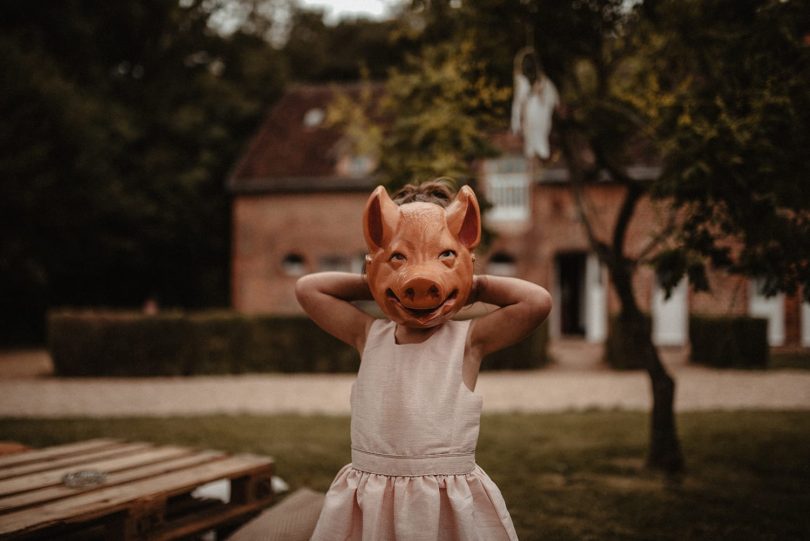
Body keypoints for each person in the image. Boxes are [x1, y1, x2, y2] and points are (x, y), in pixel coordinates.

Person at [296, 180, 551, 540]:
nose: (421, 279)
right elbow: (309, 288)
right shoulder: (369, 335)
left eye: (443, 255)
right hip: (370, 498)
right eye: (398, 256)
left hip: (444, 503)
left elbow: (537, 302)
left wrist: (466, 284)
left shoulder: (469, 342)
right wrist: (382, 279)